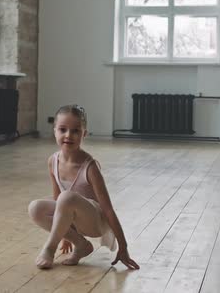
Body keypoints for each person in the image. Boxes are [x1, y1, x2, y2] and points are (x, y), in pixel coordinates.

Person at [27, 104, 139, 270]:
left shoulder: (90, 167)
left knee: (67, 196)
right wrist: (65, 234)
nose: (68, 135)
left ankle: (49, 248)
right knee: (35, 208)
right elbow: (58, 201)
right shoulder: (53, 161)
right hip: (73, 218)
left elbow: (108, 209)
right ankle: (82, 245)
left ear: (84, 134)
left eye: (76, 131)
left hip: (96, 222)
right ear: (54, 131)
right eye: (63, 129)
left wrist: (123, 246)